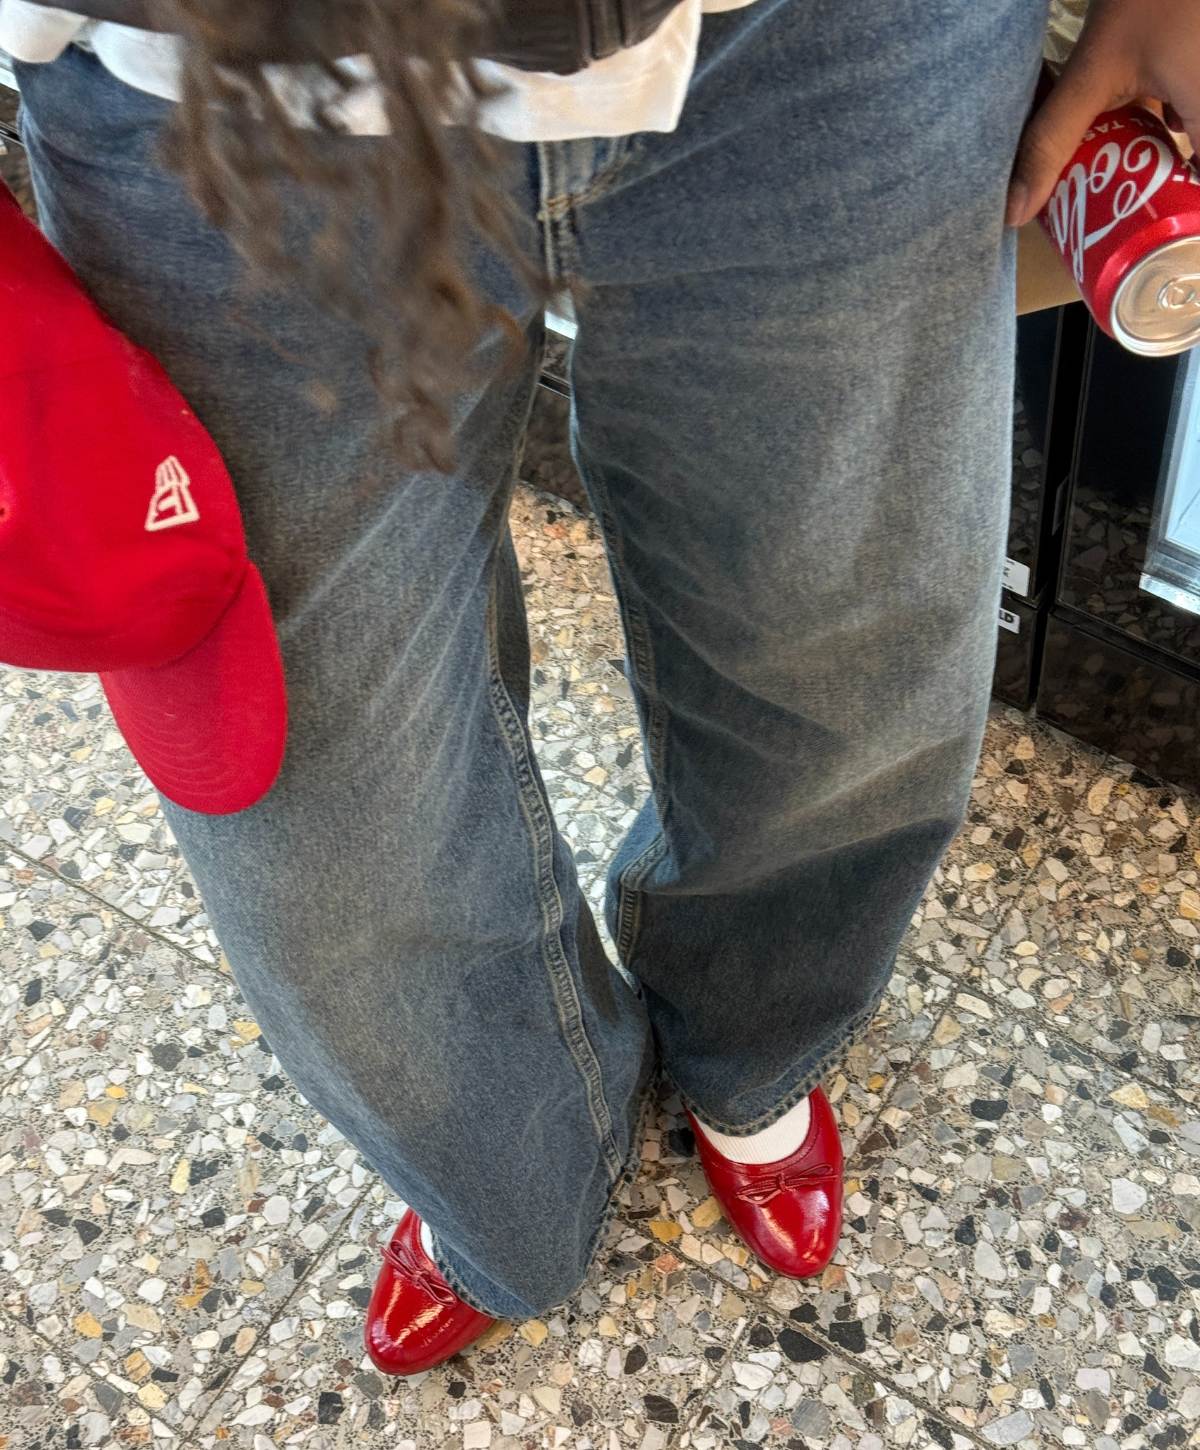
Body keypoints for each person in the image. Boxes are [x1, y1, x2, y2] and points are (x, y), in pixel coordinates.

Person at [2, 0, 1197, 1378]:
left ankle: (755, 1044)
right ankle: (508, 1182)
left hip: (822, 42)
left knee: (840, 669)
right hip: (210, 75)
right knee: (326, 831)